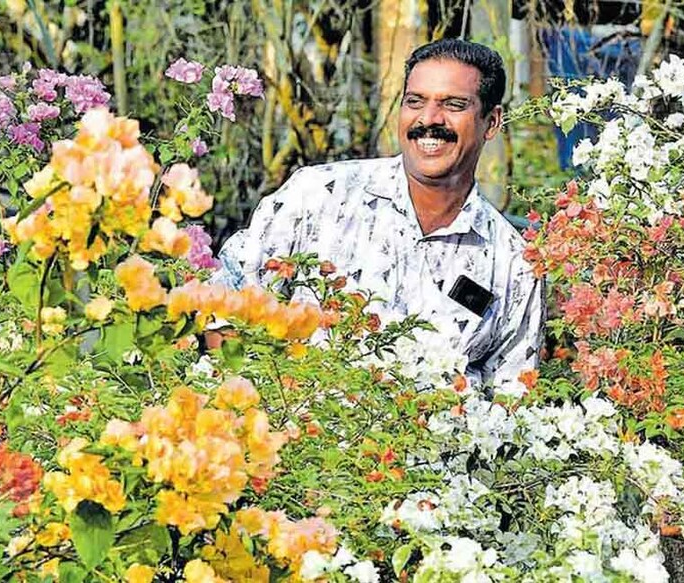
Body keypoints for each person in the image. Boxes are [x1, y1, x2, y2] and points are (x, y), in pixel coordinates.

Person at [211, 39, 544, 389]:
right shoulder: (318, 198)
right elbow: (228, 300)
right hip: (300, 436)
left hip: (435, 443)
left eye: (453, 104)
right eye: (415, 101)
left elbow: (511, 401)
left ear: (491, 122)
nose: (429, 119)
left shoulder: (513, 264)